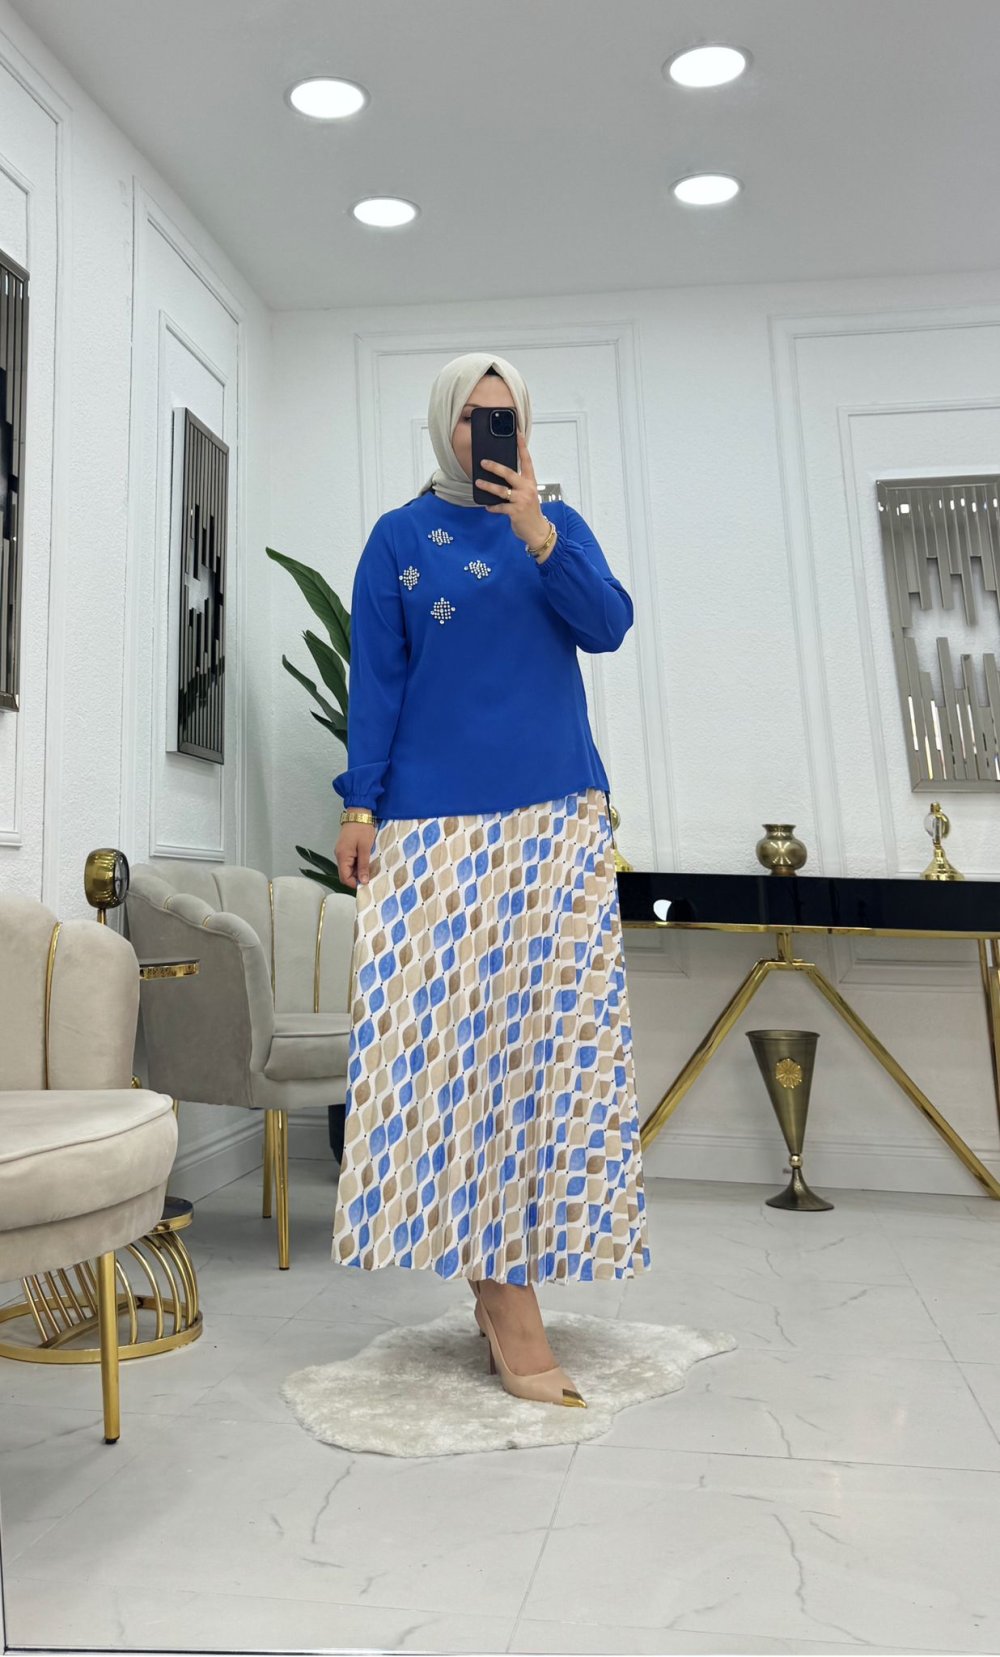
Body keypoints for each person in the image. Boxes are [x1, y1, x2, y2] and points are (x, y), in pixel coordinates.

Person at [331, 352, 650, 1409]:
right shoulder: (397, 539)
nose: (486, 434)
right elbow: (377, 683)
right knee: (445, 1056)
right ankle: (503, 1293)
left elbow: (607, 626)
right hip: (431, 830)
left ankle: (508, 1274)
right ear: (444, 425)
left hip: (555, 819)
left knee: (542, 1052)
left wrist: (539, 534)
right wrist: (360, 805)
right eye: (471, 417)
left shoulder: (556, 525)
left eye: (504, 416)